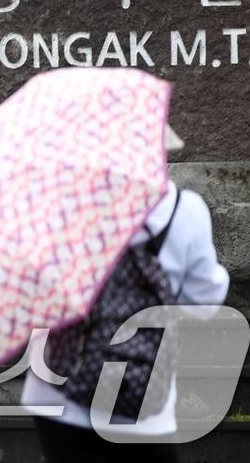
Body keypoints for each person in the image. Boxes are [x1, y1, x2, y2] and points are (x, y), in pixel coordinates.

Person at [22, 127, 230, 462]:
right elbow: (205, 304)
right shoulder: (184, 211)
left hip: (56, 393)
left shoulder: (60, 206)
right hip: (142, 397)